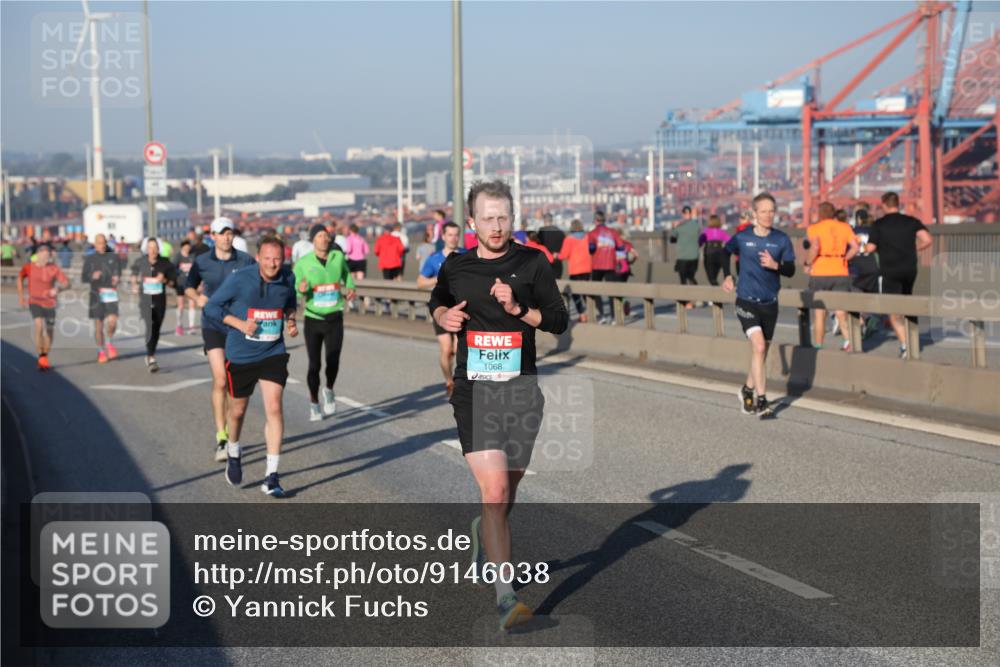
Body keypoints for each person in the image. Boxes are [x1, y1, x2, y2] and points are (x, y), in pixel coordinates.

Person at [428, 179, 568, 631]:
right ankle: (506, 597)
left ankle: (483, 530)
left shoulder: (533, 263)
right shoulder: (456, 266)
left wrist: (519, 310)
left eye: (503, 217)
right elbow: (437, 303)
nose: (495, 225)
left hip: (522, 390)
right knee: (495, 493)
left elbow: (559, 320)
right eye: (487, 217)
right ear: (471, 222)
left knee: (506, 493)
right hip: (475, 392)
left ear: (513, 219)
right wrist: (442, 318)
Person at [205, 236, 298, 498]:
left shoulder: (287, 278)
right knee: (237, 410)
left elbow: (290, 302)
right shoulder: (239, 278)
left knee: (275, 407)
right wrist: (239, 324)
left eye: (278, 258)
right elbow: (212, 307)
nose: (273, 263)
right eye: (268, 258)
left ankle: (272, 476)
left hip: (273, 352)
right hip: (242, 355)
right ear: (258, 258)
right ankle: (233, 450)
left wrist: (291, 321)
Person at [185, 217, 257, 462]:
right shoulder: (202, 261)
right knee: (220, 379)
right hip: (213, 324)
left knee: (232, 382)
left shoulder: (246, 260)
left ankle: (232, 433)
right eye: (222, 233)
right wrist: (197, 298)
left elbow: (259, 286)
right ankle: (221, 437)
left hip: (237, 326)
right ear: (212, 236)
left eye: (230, 233)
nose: (227, 237)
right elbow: (188, 286)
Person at [721, 192, 796, 418]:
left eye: (771, 211)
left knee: (760, 354)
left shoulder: (781, 239)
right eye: (763, 211)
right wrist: (727, 275)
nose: (768, 215)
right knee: (760, 346)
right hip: (746, 300)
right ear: (754, 214)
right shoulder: (742, 238)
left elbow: (791, 270)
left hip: (770, 303)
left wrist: (776, 265)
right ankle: (762, 402)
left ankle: (747, 390)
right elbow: (725, 251)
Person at [293, 224, 355, 421]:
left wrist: (351, 287)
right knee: (314, 365)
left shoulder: (338, 257)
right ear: (313, 239)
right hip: (313, 319)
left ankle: (328, 390)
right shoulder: (303, 263)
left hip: (335, 317)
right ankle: (313, 403)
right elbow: (295, 289)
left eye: (326, 236)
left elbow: (347, 275)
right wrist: (301, 289)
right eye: (320, 236)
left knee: (333, 360)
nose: (324, 239)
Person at [865, 191, 933, 359]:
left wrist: (863, 249)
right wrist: (914, 249)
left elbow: (871, 248)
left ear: (884, 205)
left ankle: (905, 345)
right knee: (908, 301)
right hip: (910, 269)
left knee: (893, 309)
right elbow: (928, 239)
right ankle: (912, 338)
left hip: (890, 270)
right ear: (898, 204)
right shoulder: (911, 221)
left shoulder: (879, 224)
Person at [416, 221, 464, 396]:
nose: (453, 238)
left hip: (462, 309)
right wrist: (438, 279)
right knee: (447, 349)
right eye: (450, 234)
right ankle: (448, 380)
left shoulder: (466, 255)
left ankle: (460, 381)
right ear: (443, 236)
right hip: (441, 310)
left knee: (459, 349)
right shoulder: (434, 258)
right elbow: (420, 282)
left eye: (456, 234)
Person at [805, 202, 860, 351]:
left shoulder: (814, 228)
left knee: (819, 313)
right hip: (840, 271)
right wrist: (845, 258)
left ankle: (818, 346)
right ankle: (849, 341)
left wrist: (808, 262)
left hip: (820, 272)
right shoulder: (845, 227)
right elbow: (855, 247)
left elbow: (815, 246)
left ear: (820, 214)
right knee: (841, 311)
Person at [16, 243, 69, 371]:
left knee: (49, 330)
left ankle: (45, 355)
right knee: (39, 324)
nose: (46, 257)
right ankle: (41, 356)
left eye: (48, 255)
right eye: (44, 255)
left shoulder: (54, 268)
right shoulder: (29, 267)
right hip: (35, 301)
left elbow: (67, 283)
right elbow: (20, 278)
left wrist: (58, 288)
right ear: (38, 255)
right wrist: (21, 296)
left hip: (50, 303)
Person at [131, 237, 177, 373]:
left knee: (156, 328)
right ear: (147, 249)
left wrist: (165, 280)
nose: (152, 250)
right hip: (145, 300)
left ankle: (150, 352)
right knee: (150, 325)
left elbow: (173, 283)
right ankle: (151, 357)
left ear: (159, 249)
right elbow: (133, 273)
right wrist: (134, 282)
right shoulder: (141, 261)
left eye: (155, 248)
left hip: (160, 300)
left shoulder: (165, 263)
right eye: (150, 248)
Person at [81, 233, 122, 363]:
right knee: (98, 325)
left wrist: (117, 278)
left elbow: (118, 272)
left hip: (110, 293)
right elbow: (83, 277)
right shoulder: (90, 259)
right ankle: (101, 351)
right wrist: (92, 276)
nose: (102, 245)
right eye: (99, 243)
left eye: (103, 243)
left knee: (112, 321)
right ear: (95, 244)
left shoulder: (113, 257)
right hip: (96, 294)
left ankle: (109, 342)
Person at [585, 210, 624, 324]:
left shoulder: (592, 233)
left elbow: (591, 249)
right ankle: (613, 316)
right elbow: (621, 248)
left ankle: (602, 315)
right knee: (611, 291)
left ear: (595, 220)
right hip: (611, 265)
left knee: (596, 291)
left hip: (597, 265)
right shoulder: (613, 232)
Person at [558, 219, 593, 322]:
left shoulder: (569, 239)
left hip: (575, 269)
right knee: (586, 292)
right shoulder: (588, 237)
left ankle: (582, 314)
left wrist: (556, 256)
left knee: (575, 293)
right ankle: (590, 313)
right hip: (587, 268)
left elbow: (564, 255)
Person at [670, 206, 702, 307]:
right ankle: (698, 297)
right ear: (691, 214)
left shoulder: (680, 227)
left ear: (683, 214)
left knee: (683, 279)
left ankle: (685, 301)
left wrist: (674, 227)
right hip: (694, 256)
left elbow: (672, 239)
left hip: (682, 257)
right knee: (691, 277)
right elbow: (700, 239)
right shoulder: (697, 226)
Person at [699, 214, 731, 286]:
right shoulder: (722, 232)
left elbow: (700, 242)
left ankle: (716, 293)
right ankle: (715, 294)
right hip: (720, 254)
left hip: (709, 254)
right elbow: (730, 241)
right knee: (714, 276)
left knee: (711, 278)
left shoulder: (706, 232)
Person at [174, 240, 197, 335]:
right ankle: (179, 325)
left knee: (192, 304)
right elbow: (172, 268)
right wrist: (178, 272)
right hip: (180, 283)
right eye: (185, 247)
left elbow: (196, 268)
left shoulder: (193, 256)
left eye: (189, 247)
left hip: (191, 284)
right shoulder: (177, 256)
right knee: (181, 305)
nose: (187, 249)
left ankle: (191, 326)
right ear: (182, 247)